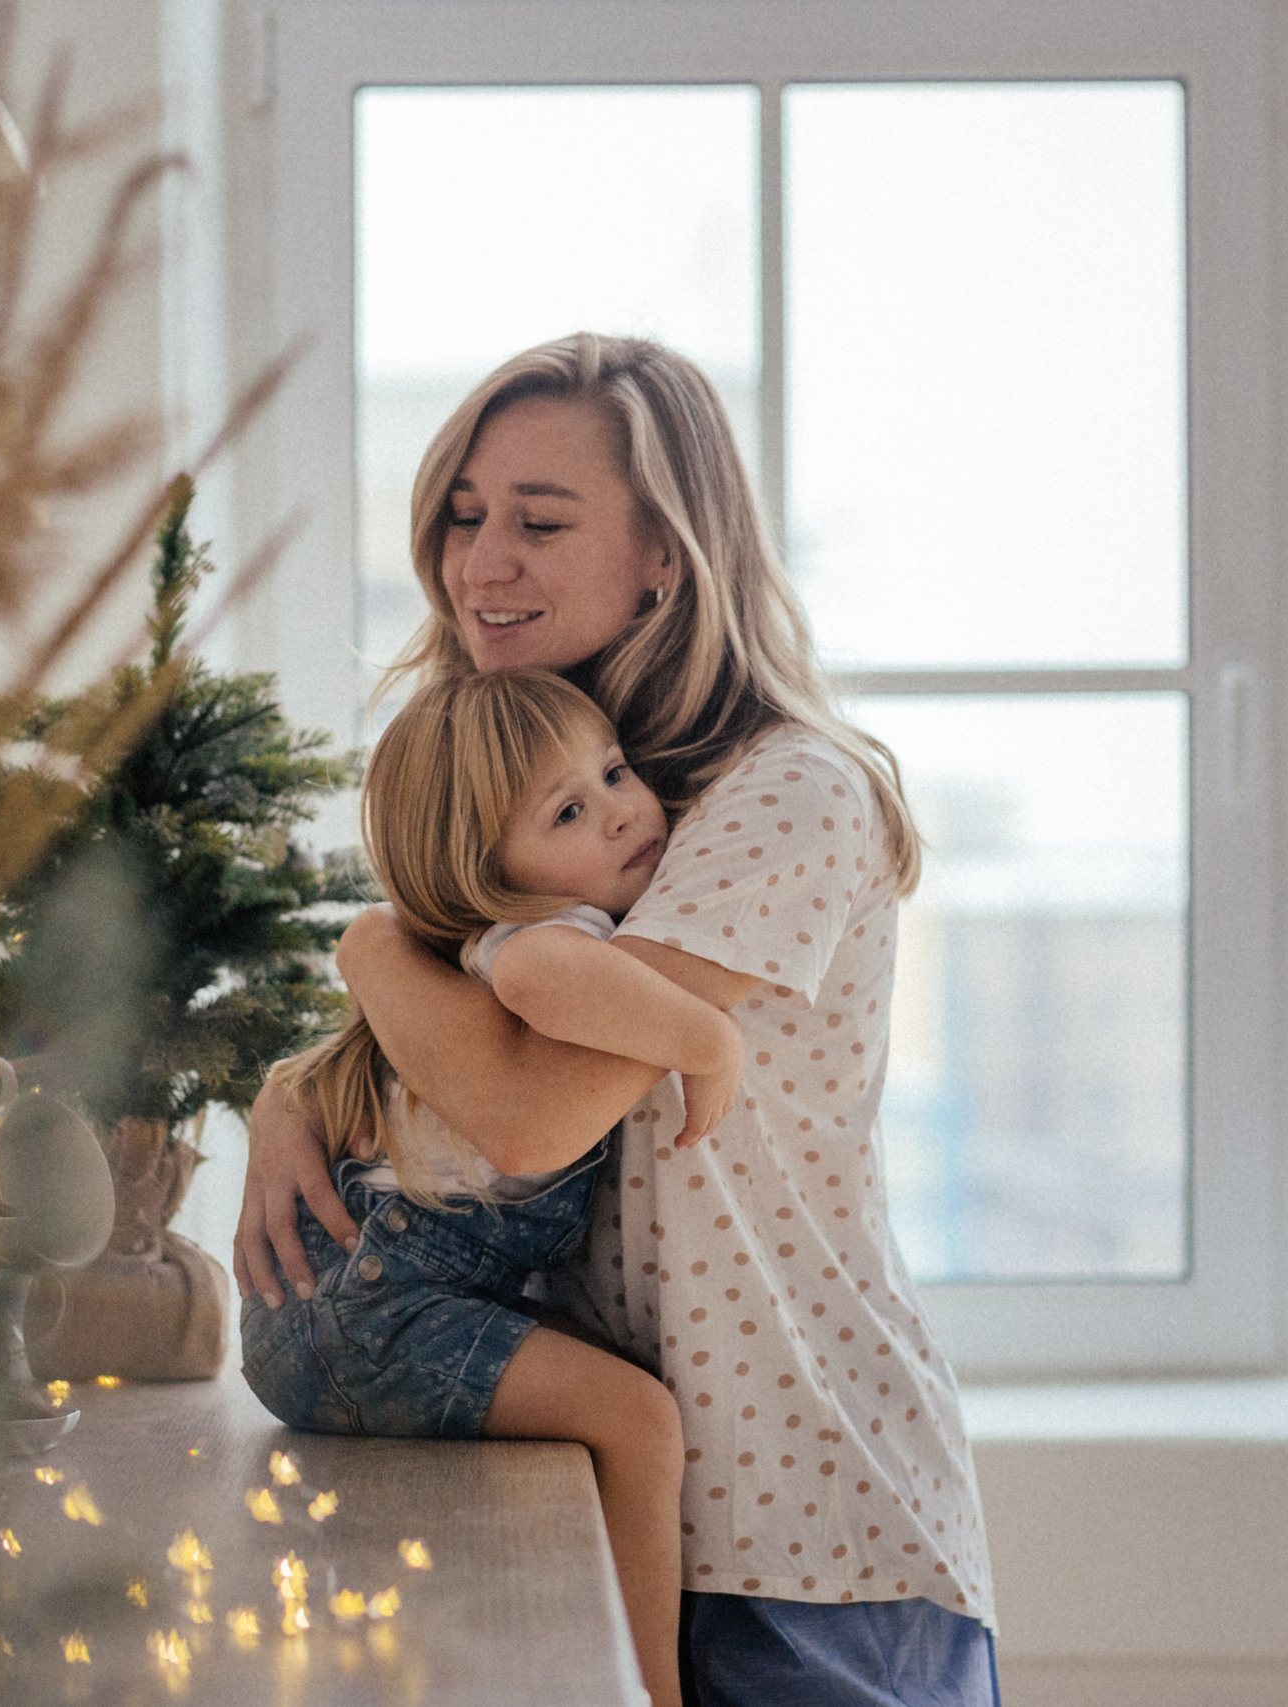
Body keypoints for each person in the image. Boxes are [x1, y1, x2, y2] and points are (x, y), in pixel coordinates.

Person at [235, 334, 1000, 1705]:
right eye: (465, 517)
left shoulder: (782, 795)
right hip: (604, 1493)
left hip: (799, 1517)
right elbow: (447, 1085)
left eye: (540, 519)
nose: (482, 563)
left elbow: (531, 1109)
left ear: (667, 553)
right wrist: (298, 1087)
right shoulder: (561, 800)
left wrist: (366, 946)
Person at [244, 666, 739, 1707]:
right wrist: (707, 1035)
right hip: (374, 1306)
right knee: (639, 1422)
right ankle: (650, 1693)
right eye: (567, 810)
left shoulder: (450, 965)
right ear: (484, 870)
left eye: (612, 772)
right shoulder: (540, 938)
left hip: (337, 1308)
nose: (618, 814)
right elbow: (538, 981)